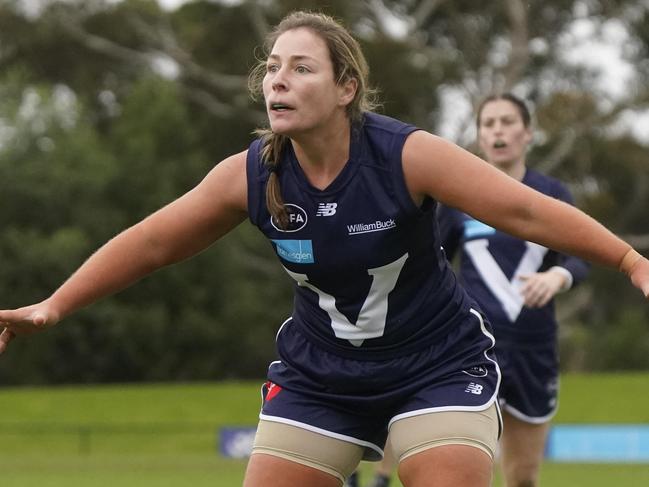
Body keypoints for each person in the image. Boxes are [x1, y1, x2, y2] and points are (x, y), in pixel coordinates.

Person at [0, 11, 647, 487]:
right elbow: (153, 242)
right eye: (271, 68)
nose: (277, 80)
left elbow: (525, 209)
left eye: (300, 67)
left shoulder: (406, 156)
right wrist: (55, 305)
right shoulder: (251, 174)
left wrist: (628, 259)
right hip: (321, 374)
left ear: (345, 90)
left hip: (436, 365)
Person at [437, 93, 590, 487]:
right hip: (473, 349)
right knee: (469, 471)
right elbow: (431, 264)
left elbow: (581, 256)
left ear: (528, 133)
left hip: (533, 349)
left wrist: (558, 276)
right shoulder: (460, 196)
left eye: (507, 122)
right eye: (488, 124)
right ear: (480, 136)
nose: (497, 130)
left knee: (522, 477)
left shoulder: (552, 194)